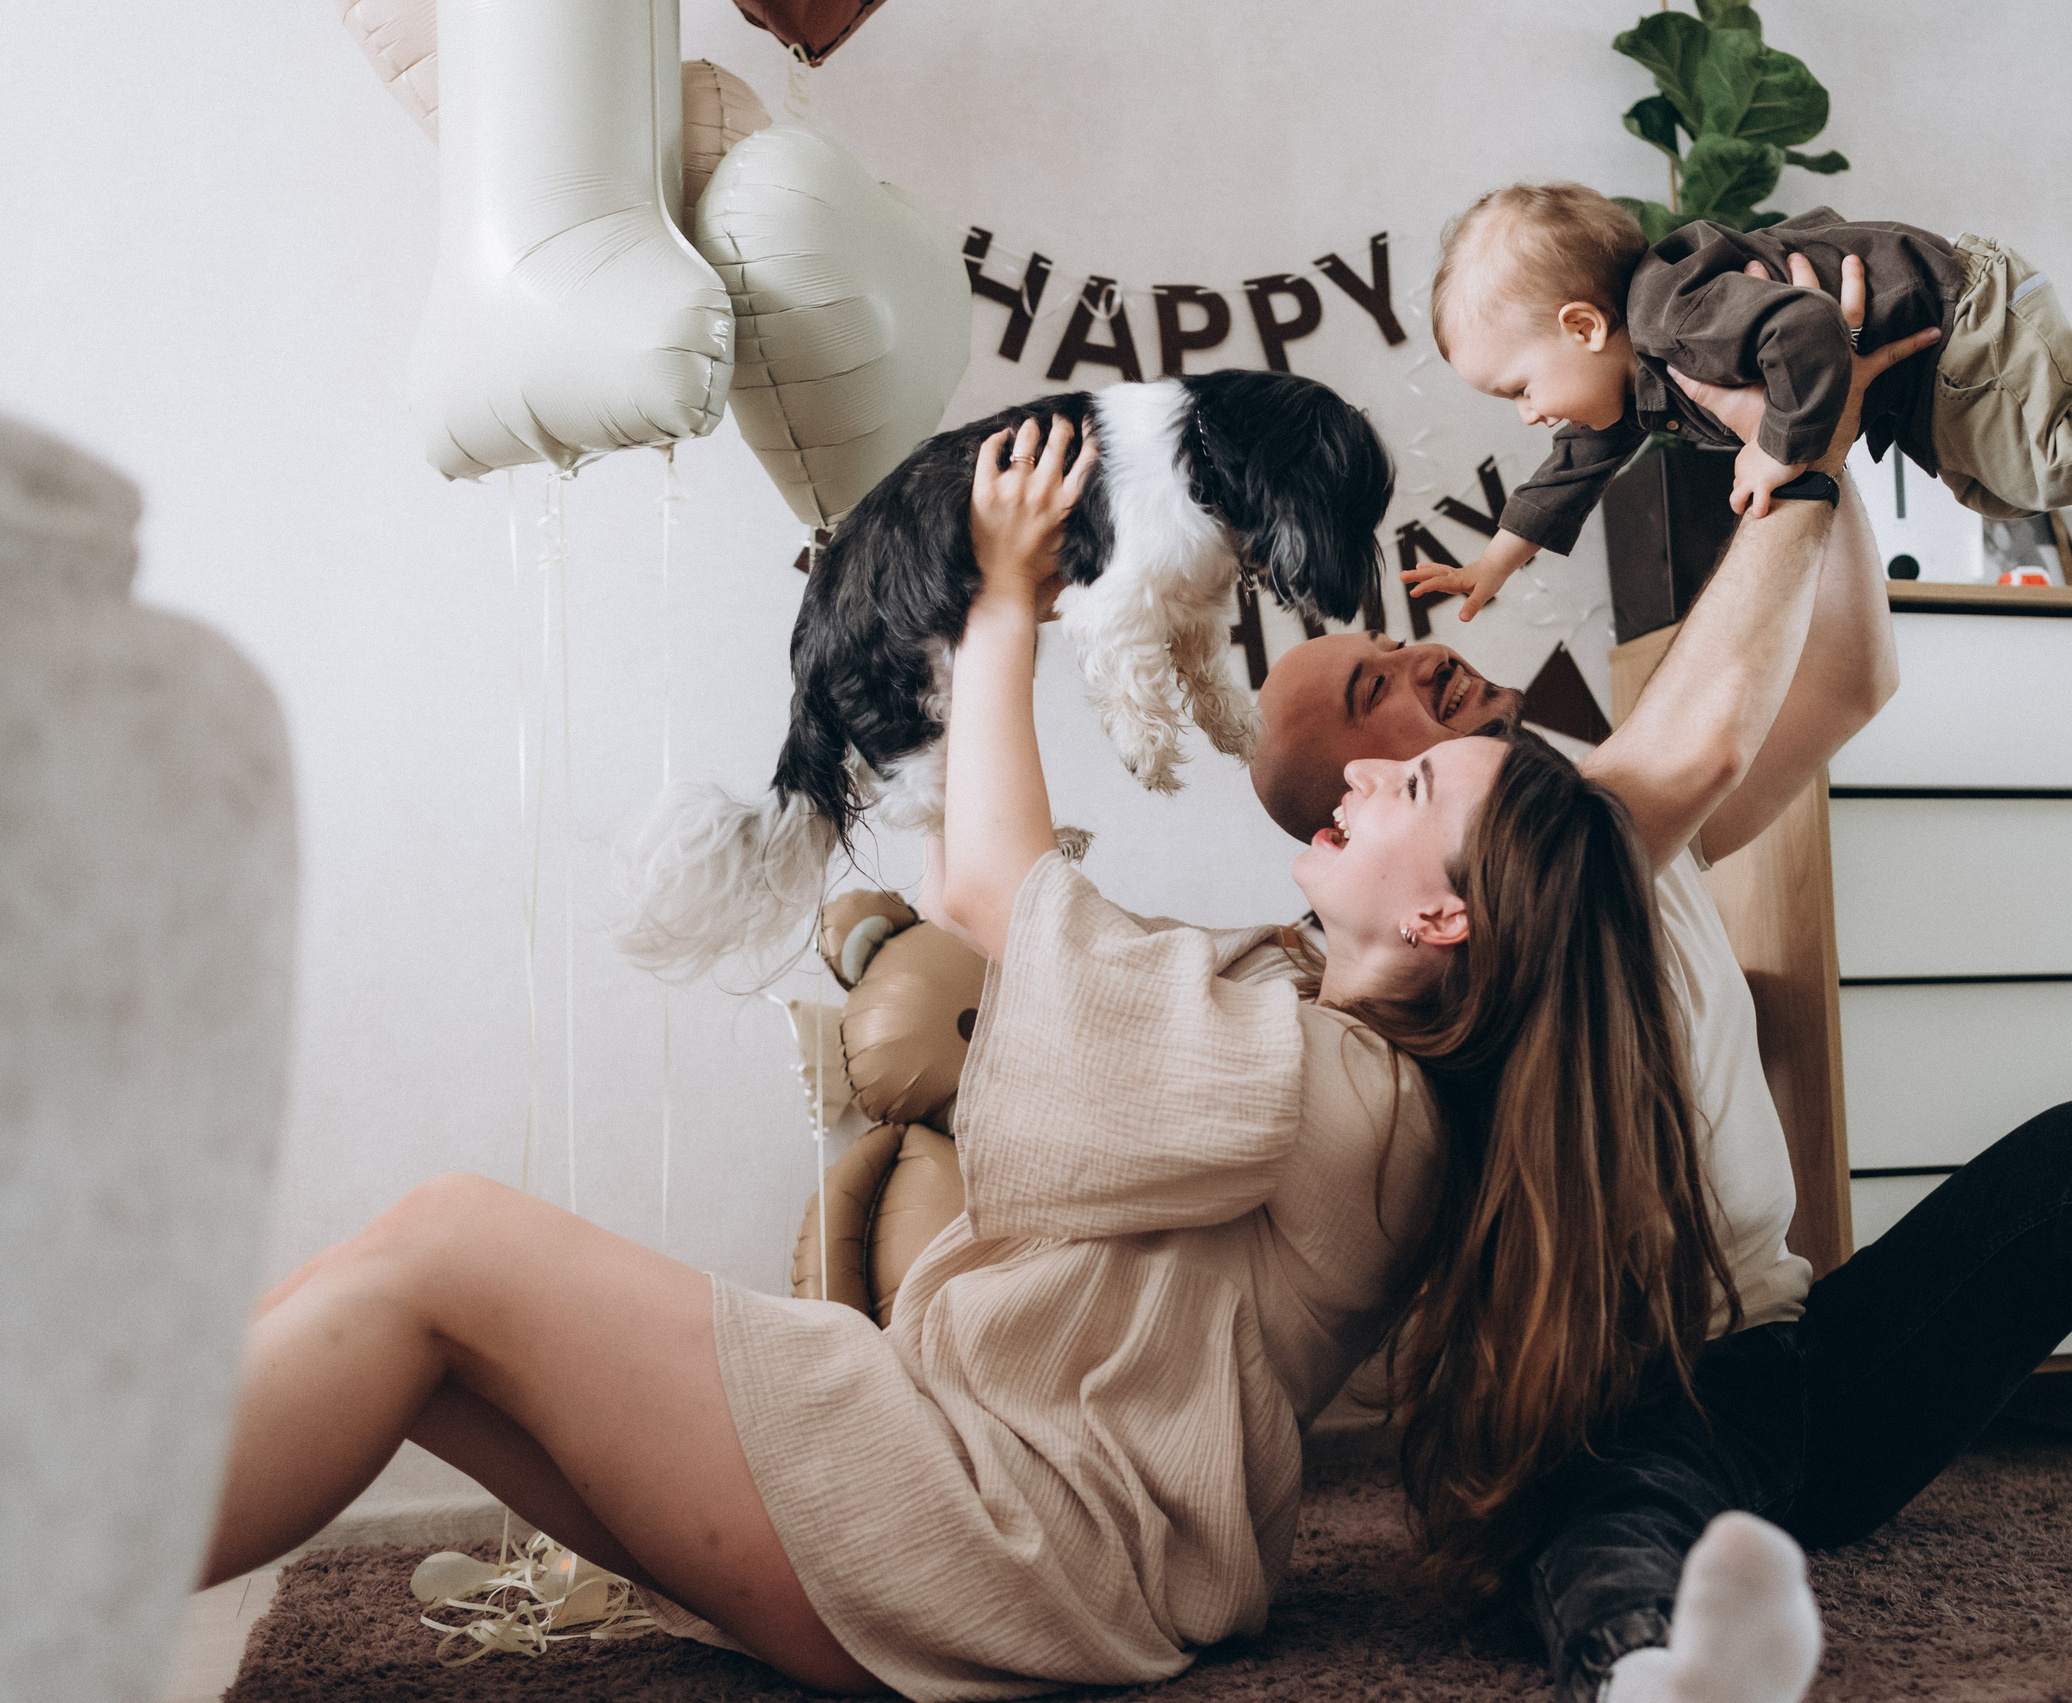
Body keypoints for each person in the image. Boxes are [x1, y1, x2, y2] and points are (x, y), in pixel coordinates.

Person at [192, 417, 1717, 1700]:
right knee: (421, 1298)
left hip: (1003, 1533)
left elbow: (1004, 890)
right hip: (995, 1489)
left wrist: (1001, 600)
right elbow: (1039, 914)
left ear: (1449, 908)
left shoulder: (1337, 1094)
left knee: (448, 1246)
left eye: (1416, 781)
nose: (1372, 766)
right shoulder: (1326, 1041)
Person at [1251, 265, 2072, 1703]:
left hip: (1795, 1370)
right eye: (1375, 693)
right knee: (1604, 1518)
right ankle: (1652, 1675)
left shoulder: (1600, 812)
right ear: (1360, 829)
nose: (1419, 655)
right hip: (1623, 1406)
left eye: (1388, 643)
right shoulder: (1497, 901)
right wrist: (1800, 413)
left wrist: (1847, 418)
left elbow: (1848, 677)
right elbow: (1690, 747)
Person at [1402, 182, 2072, 621]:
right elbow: (1580, 457)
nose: (1530, 414)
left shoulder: (1674, 321)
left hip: (1953, 316)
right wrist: (1500, 559)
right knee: (1997, 488)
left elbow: (1810, 332)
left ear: (1584, 325)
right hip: (1948, 344)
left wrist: (1778, 449)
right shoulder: (1639, 361)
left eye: (1519, 388)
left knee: (2038, 469)